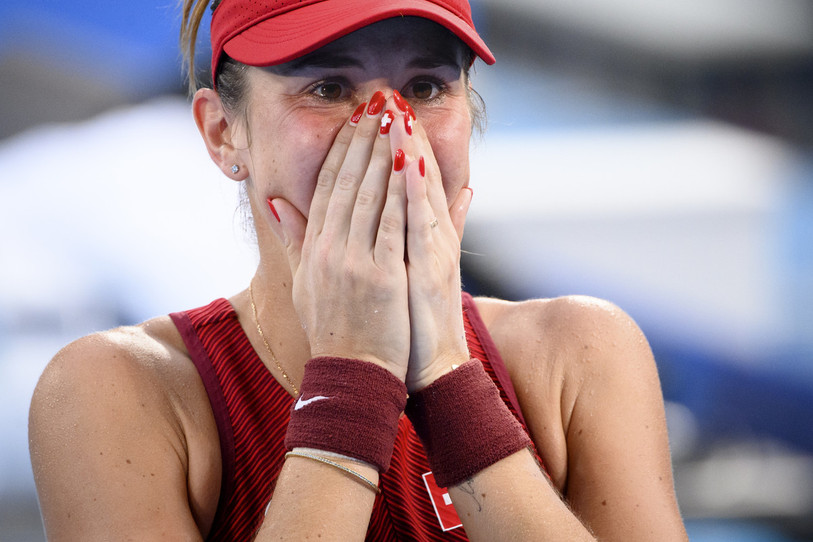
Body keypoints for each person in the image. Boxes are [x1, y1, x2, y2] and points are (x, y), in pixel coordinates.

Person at [29, 0, 689, 540]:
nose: (388, 129)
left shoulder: (579, 353)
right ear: (222, 132)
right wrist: (353, 376)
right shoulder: (117, 392)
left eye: (425, 87)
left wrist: (448, 377)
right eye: (327, 88)